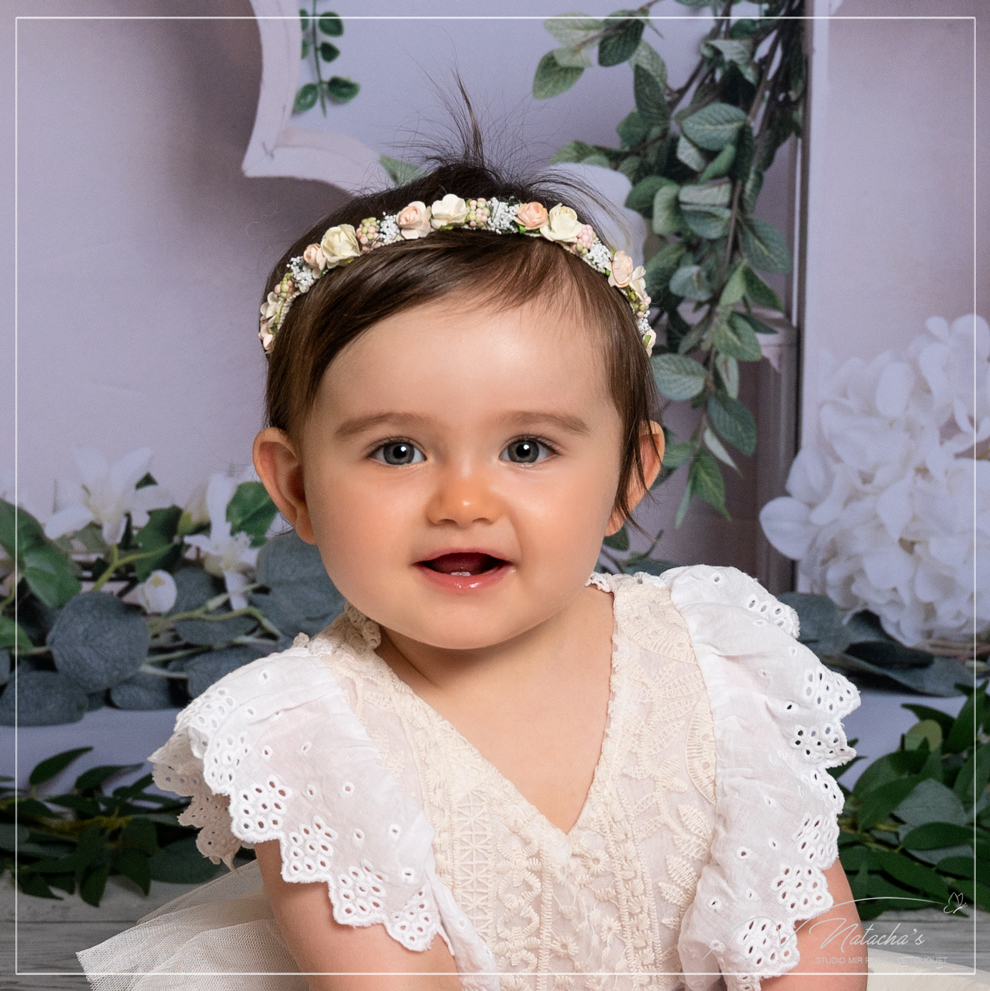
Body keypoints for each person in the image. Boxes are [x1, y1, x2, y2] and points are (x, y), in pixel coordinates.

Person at [77, 140, 982, 991]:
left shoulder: (714, 662)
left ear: (629, 474)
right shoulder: (306, 735)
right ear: (297, 484)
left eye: (527, 448)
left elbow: (809, 932)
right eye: (397, 451)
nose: (463, 500)